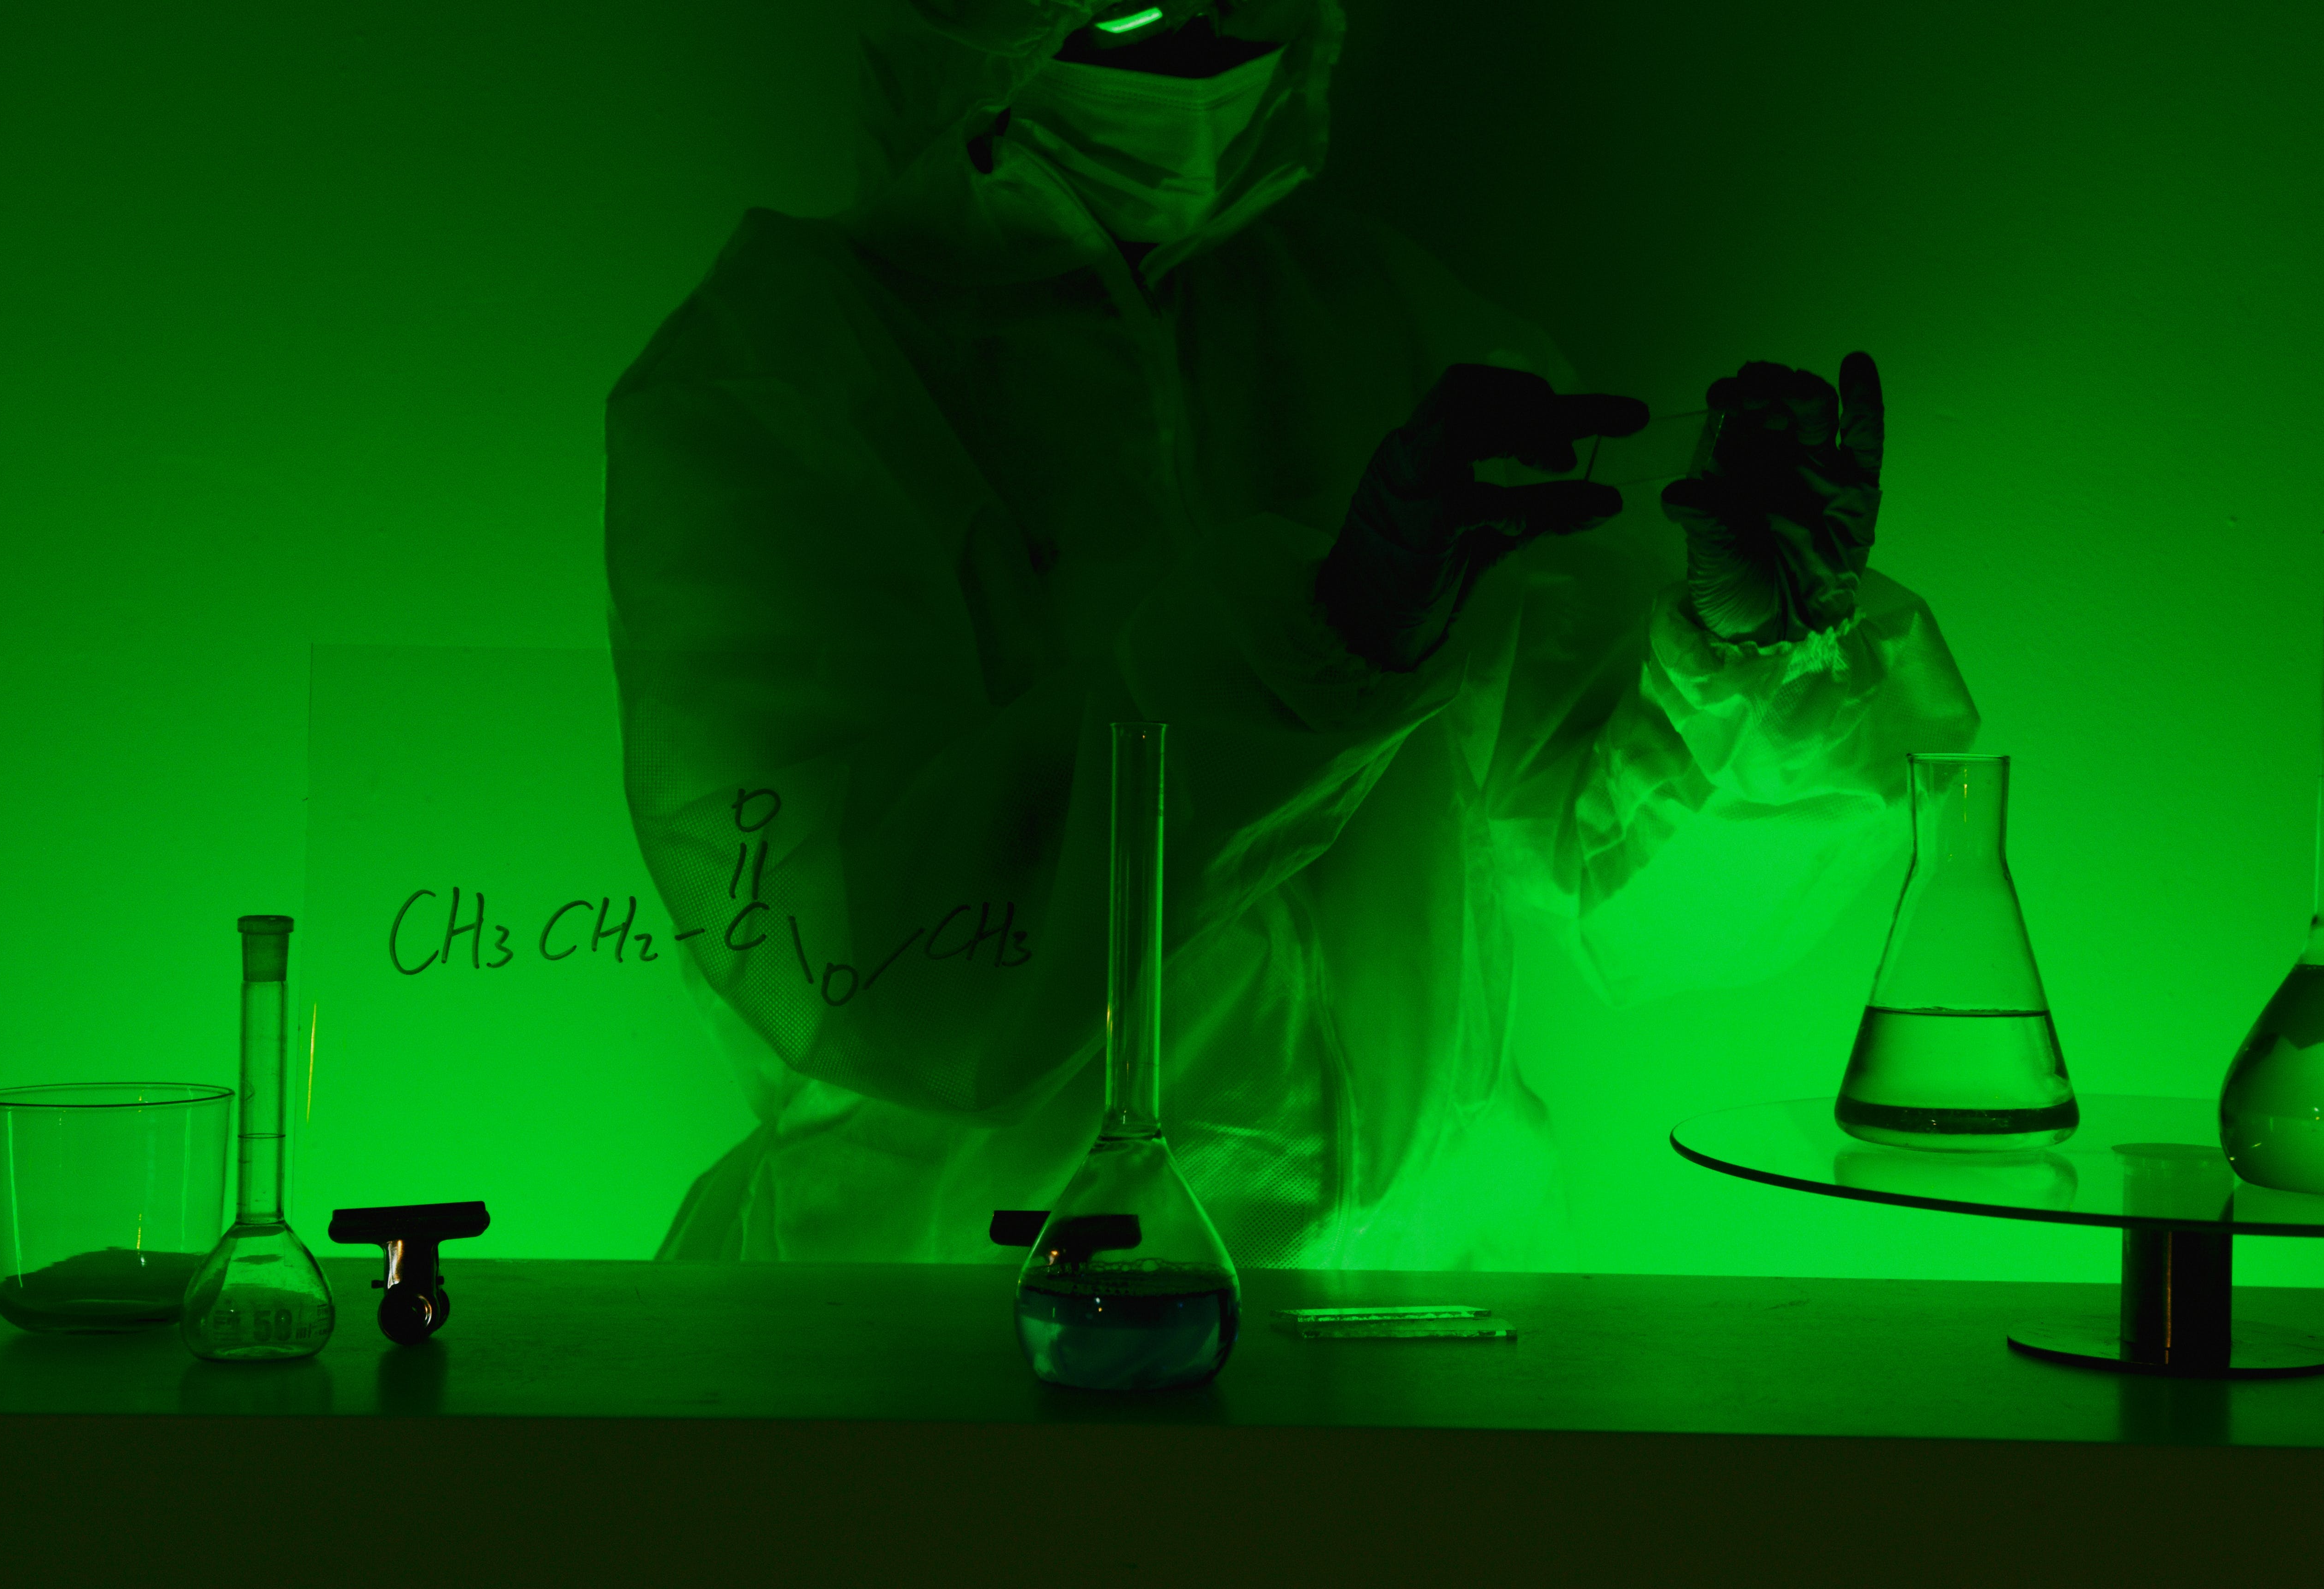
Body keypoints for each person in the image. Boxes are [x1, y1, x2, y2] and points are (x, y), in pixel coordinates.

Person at [607, 0, 1977, 1269]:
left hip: (1425, 1311)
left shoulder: (1403, 332)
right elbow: (883, 976)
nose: (1206, 47)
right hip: (961, 1333)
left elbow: (1654, 916)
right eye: (1138, 9)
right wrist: (1331, 640)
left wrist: (1752, 662)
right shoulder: (784, 379)